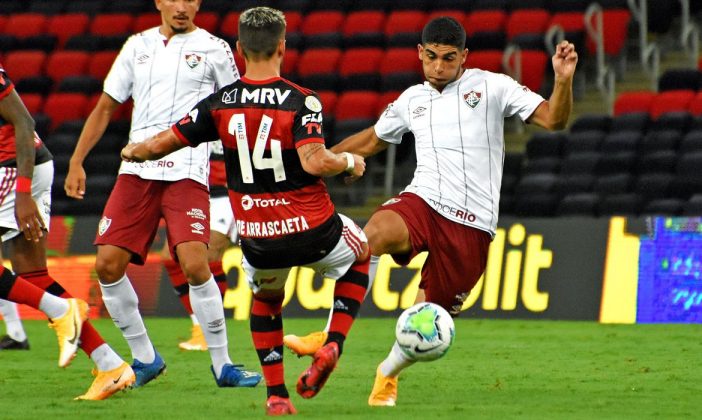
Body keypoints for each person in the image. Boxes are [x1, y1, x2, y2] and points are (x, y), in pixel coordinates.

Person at [287, 16, 579, 406]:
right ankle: (330, 339)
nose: (439, 66)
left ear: (464, 56)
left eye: (448, 58)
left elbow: (554, 119)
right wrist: (318, 161)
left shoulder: (493, 86)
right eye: (431, 57)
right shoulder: (412, 99)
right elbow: (372, 139)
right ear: (419, 53)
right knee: (369, 236)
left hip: (472, 225)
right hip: (422, 201)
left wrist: (562, 80)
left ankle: (388, 373)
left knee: (427, 326)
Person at [120, 6, 370, 415]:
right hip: (313, 229)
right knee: (362, 253)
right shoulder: (302, 100)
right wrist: (349, 162)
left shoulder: (218, 103)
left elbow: (161, 144)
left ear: (239, 49)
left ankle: (277, 395)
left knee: (267, 300)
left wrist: (135, 150)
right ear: (282, 47)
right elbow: (314, 161)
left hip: (259, 237)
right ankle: (333, 343)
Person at [64, 0, 261, 388]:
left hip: (187, 170)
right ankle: (145, 358)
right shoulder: (137, 46)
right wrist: (76, 160)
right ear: (159, 2)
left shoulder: (215, 49)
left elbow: (237, 109)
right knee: (107, 265)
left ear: (199, 3)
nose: (182, 7)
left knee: (195, 264)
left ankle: (223, 365)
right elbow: (105, 107)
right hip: (136, 171)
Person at [0, 60, 136, 399]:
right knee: (32, 276)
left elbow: (24, 121)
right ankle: (110, 365)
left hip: (13, 169)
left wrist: (22, 193)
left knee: (35, 283)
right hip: (23, 167)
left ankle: (61, 310)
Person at [161, 142, 237, 351]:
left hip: (226, 194)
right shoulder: (188, 122)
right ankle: (199, 327)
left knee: (210, 256)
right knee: (170, 255)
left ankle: (210, 329)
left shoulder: (234, 121)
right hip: (192, 190)